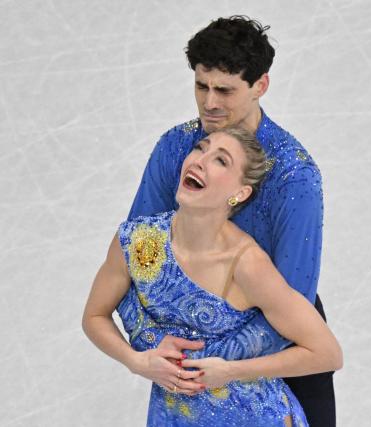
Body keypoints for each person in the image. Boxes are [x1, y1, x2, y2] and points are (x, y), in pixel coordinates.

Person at [127, 16, 337, 426]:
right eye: (201, 86)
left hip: (281, 346)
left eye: (224, 90)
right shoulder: (175, 149)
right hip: (190, 351)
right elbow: (137, 254)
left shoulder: (294, 175)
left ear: (261, 85)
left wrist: (210, 359)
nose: (210, 103)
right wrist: (157, 345)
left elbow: (294, 295)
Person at [82, 126, 342, 426]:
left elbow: (327, 353)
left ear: (240, 193)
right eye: (199, 149)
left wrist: (232, 370)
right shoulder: (137, 241)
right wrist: (137, 361)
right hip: (173, 417)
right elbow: (94, 316)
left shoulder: (245, 263)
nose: (200, 161)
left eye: (221, 161)